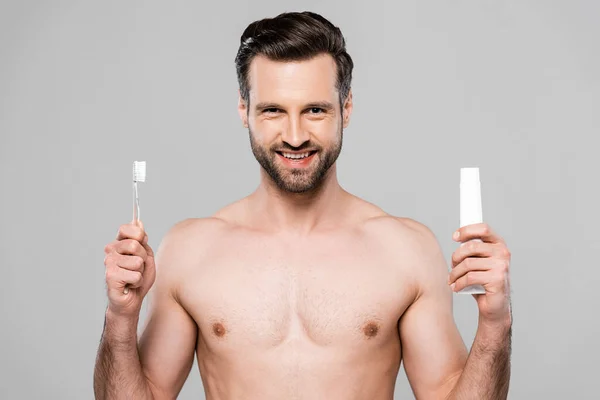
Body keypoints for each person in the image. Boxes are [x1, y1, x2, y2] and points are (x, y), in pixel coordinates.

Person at [93, 11, 512, 400]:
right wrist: (120, 320)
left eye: (314, 110)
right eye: (273, 110)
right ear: (244, 110)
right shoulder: (189, 251)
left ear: (345, 109)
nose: (295, 135)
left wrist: (495, 325)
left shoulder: (405, 250)